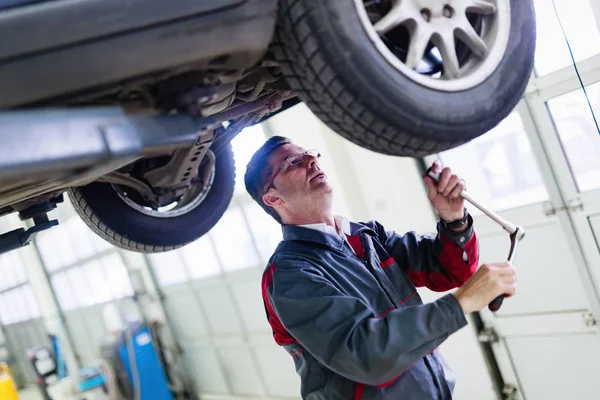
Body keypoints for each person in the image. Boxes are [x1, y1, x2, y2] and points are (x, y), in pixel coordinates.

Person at [244, 136, 517, 399]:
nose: (311, 162)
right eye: (293, 162)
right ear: (273, 198)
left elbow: (448, 270)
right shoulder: (290, 274)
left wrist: (454, 220)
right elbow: (366, 355)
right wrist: (461, 303)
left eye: (310, 155)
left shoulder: (367, 237)